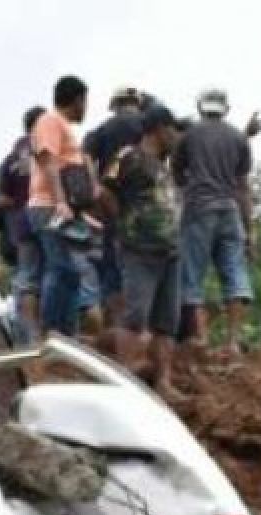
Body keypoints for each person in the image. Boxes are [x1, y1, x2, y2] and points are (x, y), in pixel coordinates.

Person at [100, 105, 184, 398]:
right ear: (159, 128)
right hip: (139, 249)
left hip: (170, 251)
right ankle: (127, 381)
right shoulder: (129, 157)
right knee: (135, 315)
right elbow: (104, 190)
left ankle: (164, 382)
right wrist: (124, 224)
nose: (176, 135)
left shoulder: (164, 165)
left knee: (167, 321)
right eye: (173, 129)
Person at [172, 88, 256, 359]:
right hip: (230, 210)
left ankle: (203, 341)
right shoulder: (239, 139)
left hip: (199, 209)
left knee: (192, 276)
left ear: (201, 108)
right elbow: (242, 186)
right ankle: (233, 342)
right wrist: (250, 229)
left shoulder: (189, 136)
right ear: (226, 109)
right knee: (235, 275)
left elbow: (177, 173)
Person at [28, 75, 97, 336]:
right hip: (48, 206)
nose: (86, 108)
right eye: (85, 101)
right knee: (60, 268)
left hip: (60, 207)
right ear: (78, 99)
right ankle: (52, 333)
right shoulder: (50, 121)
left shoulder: (61, 125)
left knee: (69, 273)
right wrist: (60, 202)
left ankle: (66, 334)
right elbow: (48, 160)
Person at [83, 87, 145, 328]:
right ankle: (143, 331)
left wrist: (95, 188)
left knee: (114, 270)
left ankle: (118, 330)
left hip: (113, 205)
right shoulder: (149, 125)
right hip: (151, 209)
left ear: (115, 105)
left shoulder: (103, 129)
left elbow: (84, 157)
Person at [0, 106, 45, 340]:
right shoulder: (47, 147)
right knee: (50, 278)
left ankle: (27, 337)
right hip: (47, 219)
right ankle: (46, 336)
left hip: (20, 224)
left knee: (26, 279)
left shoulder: (12, 157)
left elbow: (4, 197)